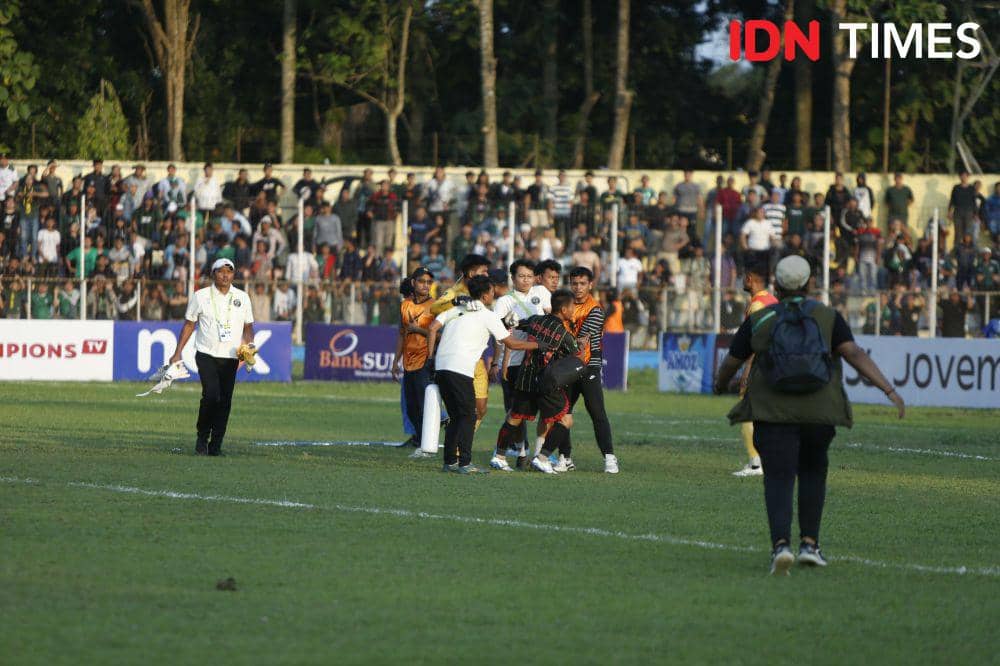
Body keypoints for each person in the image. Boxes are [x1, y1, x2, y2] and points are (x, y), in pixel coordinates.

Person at [714, 255, 905, 575]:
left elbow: (734, 359)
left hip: (772, 411)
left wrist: (719, 384)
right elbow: (854, 353)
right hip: (820, 410)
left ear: (777, 284)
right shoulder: (827, 316)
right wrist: (888, 390)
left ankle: (780, 547)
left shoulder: (762, 318)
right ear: (810, 283)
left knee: (778, 477)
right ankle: (810, 545)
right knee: (814, 472)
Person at [425, 275, 539, 473]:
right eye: (492, 293)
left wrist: (429, 357)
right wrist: (539, 345)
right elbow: (511, 343)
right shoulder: (487, 315)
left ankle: (450, 461)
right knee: (469, 415)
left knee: (455, 415)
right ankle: (466, 463)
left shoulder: (455, 310)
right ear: (486, 295)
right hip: (460, 368)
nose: (493, 296)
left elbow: (433, 328)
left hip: (441, 366)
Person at [491, 288, 583, 473]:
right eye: (572, 307)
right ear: (564, 310)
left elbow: (514, 323)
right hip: (545, 381)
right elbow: (575, 355)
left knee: (514, 417)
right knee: (565, 421)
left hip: (525, 377)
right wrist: (581, 344)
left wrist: (505, 321)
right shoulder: (564, 335)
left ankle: (499, 456)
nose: (573, 310)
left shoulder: (535, 320)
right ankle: (542, 457)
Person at [169, 258, 255, 456]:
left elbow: (248, 327)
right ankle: (202, 435)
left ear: (234, 274)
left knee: (225, 401)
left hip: (232, 357)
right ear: (213, 274)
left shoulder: (242, 297)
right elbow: (189, 324)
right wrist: (177, 352)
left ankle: (216, 444)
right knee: (211, 395)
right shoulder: (200, 296)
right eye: (221, 271)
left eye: (229, 271)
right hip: (206, 353)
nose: (225, 275)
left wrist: (249, 346)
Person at [491, 259, 544, 469]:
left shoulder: (539, 297)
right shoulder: (504, 301)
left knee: (530, 410)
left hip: (535, 363)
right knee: (514, 410)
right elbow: (497, 331)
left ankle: (532, 454)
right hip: (512, 362)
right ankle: (520, 451)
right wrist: (497, 361)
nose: (525, 280)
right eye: (521, 276)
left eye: (529, 276)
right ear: (513, 278)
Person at [566, 266, 619, 473]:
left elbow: (579, 339)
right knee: (563, 413)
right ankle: (565, 457)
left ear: (590, 285)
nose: (578, 287)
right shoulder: (566, 305)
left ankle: (610, 458)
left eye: (582, 283)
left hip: (589, 366)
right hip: (568, 365)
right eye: (574, 283)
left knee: (597, 412)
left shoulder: (596, 309)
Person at [430, 254, 493, 428]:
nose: (487, 274)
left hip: (477, 359)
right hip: (458, 358)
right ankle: (459, 448)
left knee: (480, 410)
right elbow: (434, 307)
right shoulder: (454, 292)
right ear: (472, 273)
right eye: (484, 271)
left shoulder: (485, 291)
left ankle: (461, 441)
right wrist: (455, 302)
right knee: (463, 410)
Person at [731, 263, 778, 478]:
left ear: (750, 278)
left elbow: (755, 342)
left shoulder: (757, 306)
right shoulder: (772, 300)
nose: (741, 281)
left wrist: (747, 371)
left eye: (743, 277)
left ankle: (756, 463)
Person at [393, 268, 438, 453]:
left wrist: (418, 330)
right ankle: (420, 439)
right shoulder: (405, 305)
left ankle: (426, 444)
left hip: (426, 361)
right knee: (411, 407)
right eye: (422, 281)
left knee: (422, 405)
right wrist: (395, 361)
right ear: (413, 283)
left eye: (429, 282)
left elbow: (441, 335)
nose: (426, 285)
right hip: (408, 362)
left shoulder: (436, 306)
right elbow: (402, 334)